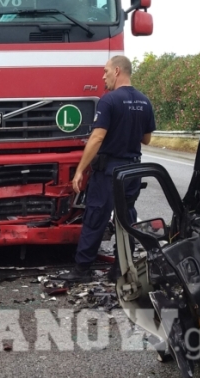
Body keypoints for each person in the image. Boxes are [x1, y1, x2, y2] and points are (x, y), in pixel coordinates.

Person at [63, 55, 156, 283]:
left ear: (117, 71)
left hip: (109, 171)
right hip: (133, 170)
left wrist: (79, 170)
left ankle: (82, 270)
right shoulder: (145, 101)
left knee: (96, 216)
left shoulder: (109, 100)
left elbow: (96, 138)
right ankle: (121, 269)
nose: (103, 76)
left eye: (105, 71)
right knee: (127, 218)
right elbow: (147, 139)